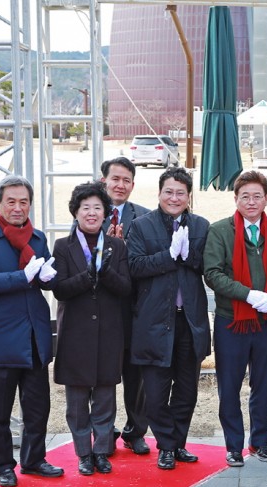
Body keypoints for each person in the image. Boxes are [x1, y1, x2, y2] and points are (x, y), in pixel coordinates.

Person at [0, 175, 64, 487]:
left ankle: (34, 459)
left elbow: (45, 280)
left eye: (24, 201)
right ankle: (2, 465)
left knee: (37, 407)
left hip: (34, 334)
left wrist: (49, 276)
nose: (17, 207)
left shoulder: (36, 238)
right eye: (11, 201)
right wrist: (23, 276)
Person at [204, 170, 267, 467]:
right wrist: (247, 294)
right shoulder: (220, 231)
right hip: (232, 322)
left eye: (257, 196)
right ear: (236, 199)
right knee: (229, 385)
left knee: (264, 383)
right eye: (245, 196)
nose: (251, 202)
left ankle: (260, 442)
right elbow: (213, 273)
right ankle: (233, 446)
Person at [128, 167, 211, 470]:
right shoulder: (141, 226)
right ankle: (164, 444)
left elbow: (209, 268)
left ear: (189, 197)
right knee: (156, 392)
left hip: (189, 321)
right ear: (159, 193)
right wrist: (169, 256)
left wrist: (189, 255)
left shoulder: (202, 226)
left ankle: (177, 444)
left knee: (187, 389)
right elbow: (134, 266)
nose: (174, 198)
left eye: (181, 193)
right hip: (154, 321)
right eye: (169, 192)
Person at [51, 182, 132, 476]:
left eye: (98, 207)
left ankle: (102, 451)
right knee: (77, 401)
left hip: (109, 332)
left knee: (105, 398)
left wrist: (106, 271)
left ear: (106, 213)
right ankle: (83, 452)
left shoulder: (117, 246)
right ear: (76, 212)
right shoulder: (63, 246)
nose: (92, 213)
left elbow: (125, 288)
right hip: (75, 333)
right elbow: (59, 289)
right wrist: (87, 276)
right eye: (86, 207)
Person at [100, 156, 152, 455]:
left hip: (135, 308)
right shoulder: (89, 212)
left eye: (126, 180)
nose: (120, 185)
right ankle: (104, 430)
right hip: (102, 310)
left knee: (136, 375)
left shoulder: (143, 217)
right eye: (115, 179)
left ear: (133, 184)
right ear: (104, 180)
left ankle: (136, 431)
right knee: (104, 374)